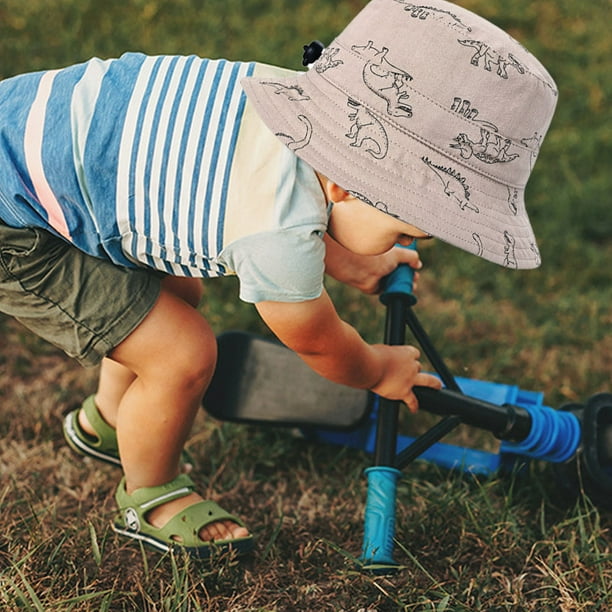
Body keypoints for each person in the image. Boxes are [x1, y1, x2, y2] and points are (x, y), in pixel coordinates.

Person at [0, 0, 557, 559]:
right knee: (181, 353)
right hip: (15, 221)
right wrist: (375, 368)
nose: (404, 240)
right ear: (350, 184)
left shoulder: (288, 107)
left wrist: (350, 258)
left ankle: (112, 421)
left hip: (48, 142)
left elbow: (310, 198)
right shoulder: (275, 230)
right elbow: (313, 336)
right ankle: (149, 494)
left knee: (172, 298)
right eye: (404, 229)